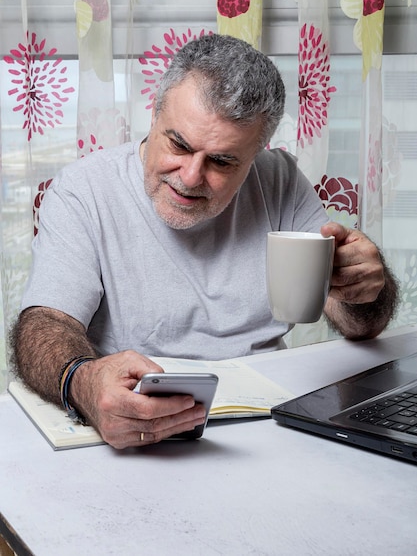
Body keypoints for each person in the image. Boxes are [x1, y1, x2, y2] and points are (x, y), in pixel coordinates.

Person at [11, 34, 399, 449]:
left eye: (222, 161)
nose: (191, 176)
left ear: (256, 155)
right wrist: (82, 383)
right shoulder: (84, 189)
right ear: (155, 113)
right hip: (138, 424)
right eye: (179, 144)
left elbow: (360, 324)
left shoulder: (279, 177)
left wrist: (363, 290)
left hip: (266, 423)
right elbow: (43, 326)